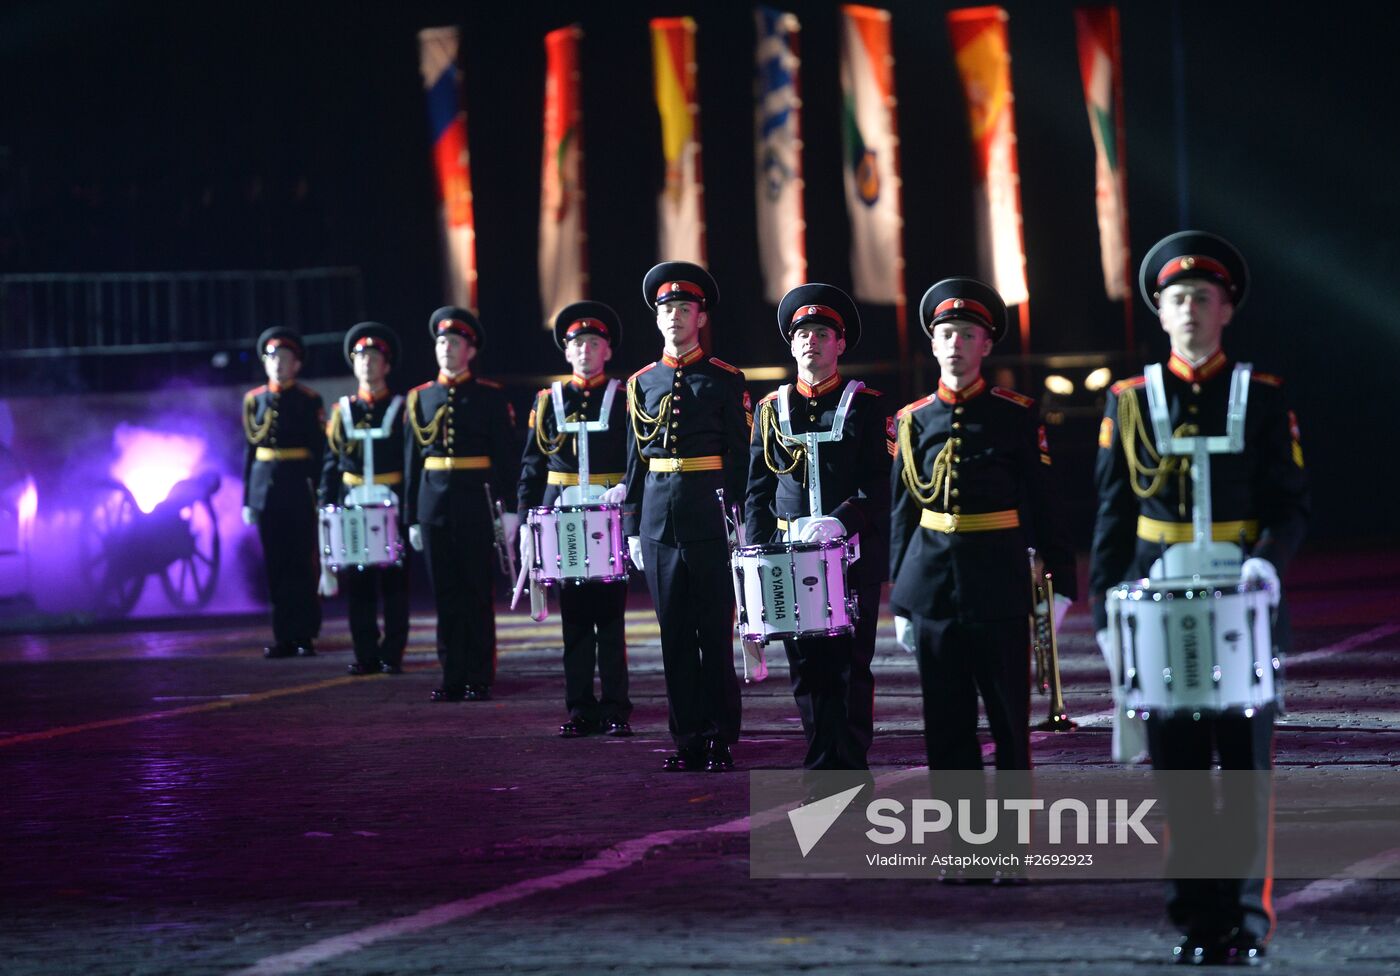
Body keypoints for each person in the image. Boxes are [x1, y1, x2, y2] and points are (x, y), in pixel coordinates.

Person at [1090, 231, 1308, 965]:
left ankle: (1244, 924)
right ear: (1160, 312)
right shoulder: (1127, 402)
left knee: (1244, 771)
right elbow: (1113, 518)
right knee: (1178, 773)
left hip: (1241, 603)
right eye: (1177, 300)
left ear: (1226, 311)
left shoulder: (1264, 397)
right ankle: (1196, 920)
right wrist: (1107, 616)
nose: (1190, 311)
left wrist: (1269, 565)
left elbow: (1290, 505)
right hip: (1156, 608)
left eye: (1203, 299)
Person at [889, 278, 1076, 773]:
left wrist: (1062, 583)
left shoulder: (1015, 414)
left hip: (998, 586)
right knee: (946, 729)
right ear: (932, 343)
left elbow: (1046, 502)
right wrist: (901, 600)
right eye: (947, 334)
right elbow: (902, 514)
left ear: (986, 345)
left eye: (968, 334)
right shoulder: (910, 421)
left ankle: (1010, 842)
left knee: (1009, 725)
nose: (956, 344)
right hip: (930, 590)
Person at [743, 283, 891, 772]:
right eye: (803, 333)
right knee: (805, 668)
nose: (812, 341)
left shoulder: (868, 406)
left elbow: (882, 483)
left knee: (852, 664)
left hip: (850, 552)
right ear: (791, 343)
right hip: (788, 553)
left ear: (840, 344)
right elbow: (758, 491)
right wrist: (757, 560)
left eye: (823, 333)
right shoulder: (769, 409)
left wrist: (842, 519)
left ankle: (851, 762)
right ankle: (820, 761)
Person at [615, 262, 750, 772]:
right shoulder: (641, 383)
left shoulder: (724, 379)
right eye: (666, 309)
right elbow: (635, 459)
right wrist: (631, 526)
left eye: (684, 309)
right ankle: (686, 739)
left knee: (713, 632)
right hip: (657, 521)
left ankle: (720, 737)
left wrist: (737, 519)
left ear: (700, 317)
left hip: (709, 516)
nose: (674, 316)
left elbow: (740, 457)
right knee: (673, 634)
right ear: (657, 319)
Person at [517, 301, 633, 738]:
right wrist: (526, 517)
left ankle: (617, 708)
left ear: (608, 351)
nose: (585, 350)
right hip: (560, 515)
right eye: (578, 343)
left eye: (594, 343)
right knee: (575, 619)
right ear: (567, 352)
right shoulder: (548, 400)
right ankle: (580, 708)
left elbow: (635, 459)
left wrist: (630, 505)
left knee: (611, 617)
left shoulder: (624, 397)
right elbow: (532, 463)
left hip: (608, 514)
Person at [404, 306, 519, 702]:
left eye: (454, 342)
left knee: (476, 591)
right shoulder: (420, 398)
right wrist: (412, 518)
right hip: (432, 504)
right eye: (441, 342)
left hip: (475, 501)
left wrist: (510, 510)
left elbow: (505, 456)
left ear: (470, 350)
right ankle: (452, 674)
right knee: (445, 593)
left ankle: (479, 675)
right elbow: (411, 462)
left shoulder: (488, 397)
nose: (446, 349)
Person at [318, 321, 410, 677]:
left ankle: (392, 653)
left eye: (373, 358)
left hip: (392, 503)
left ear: (386, 365)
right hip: (354, 502)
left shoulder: (401, 407)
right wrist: (326, 503)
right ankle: (365, 652)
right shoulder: (342, 411)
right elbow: (331, 460)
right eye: (361, 358)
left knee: (395, 584)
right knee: (358, 584)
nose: (367, 364)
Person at [242, 326, 325, 659]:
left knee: (301, 564)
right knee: (275, 566)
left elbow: (319, 452)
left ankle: (305, 633)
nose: (278, 364)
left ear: (296, 364)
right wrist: (249, 498)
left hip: (297, 489)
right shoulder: (254, 401)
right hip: (267, 492)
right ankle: (284, 635)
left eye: (285, 358)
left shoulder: (307, 400)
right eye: (273, 358)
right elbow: (248, 451)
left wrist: (321, 492)